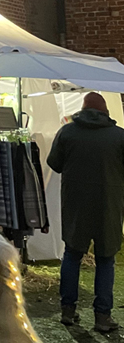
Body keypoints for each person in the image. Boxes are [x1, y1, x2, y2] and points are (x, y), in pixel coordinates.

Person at [47, 92, 124, 333]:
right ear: (106, 112)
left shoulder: (67, 132)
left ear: (82, 109)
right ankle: (102, 317)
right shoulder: (119, 136)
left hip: (75, 204)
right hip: (109, 205)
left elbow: (54, 163)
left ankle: (67, 311)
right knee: (105, 259)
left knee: (72, 255)